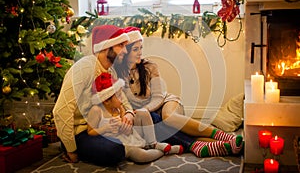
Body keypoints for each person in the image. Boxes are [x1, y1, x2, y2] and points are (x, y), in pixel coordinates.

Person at [113, 26, 244, 158]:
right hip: (148, 116)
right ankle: (224, 146)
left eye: (141, 48)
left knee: (169, 117)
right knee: (169, 131)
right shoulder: (118, 73)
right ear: (125, 52)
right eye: (135, 49)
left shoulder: (149, 66)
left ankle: (222, 136)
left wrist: (145, 109)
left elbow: (158, 97)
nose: (140, 52)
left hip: (164, 103)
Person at [52, 25, 136, 166]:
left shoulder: (111, 71)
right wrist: (71, 151)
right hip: (81, 132)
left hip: (102, 122)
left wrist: (128, 114)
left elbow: (122, 99)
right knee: (114, 151)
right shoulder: (84, 68)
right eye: (121, 45)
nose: (125, 51)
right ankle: (132, 147)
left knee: (153, 118)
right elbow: (61, 111)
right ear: (106, 47)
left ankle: (185, 144)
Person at [87, 72, 183, 163]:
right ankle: (165, 151)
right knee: (141, 156)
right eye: (119, 96)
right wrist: (105, 128)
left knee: (143, 112)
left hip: (130, 135)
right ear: (106, 101)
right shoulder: (97, 110)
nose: (122, 99)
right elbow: (90, 131)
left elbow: (125, 123)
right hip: (123, 144)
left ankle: (153, 143)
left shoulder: (118, 108)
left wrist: (124, 126)